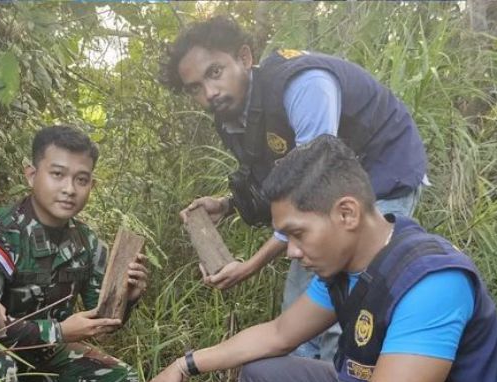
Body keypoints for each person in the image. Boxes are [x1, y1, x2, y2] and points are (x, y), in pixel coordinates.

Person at [138, 135, 497, 382]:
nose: (290, 251)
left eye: (297, 233)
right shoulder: (344, 268)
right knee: (260, 374)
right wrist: (183, 365)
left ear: (346, 213)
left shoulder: (430, 283)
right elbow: (279, 335)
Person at [164, 16, 428, 361]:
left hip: (382, 173)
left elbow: (313, 182)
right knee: (299, 313)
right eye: (195, 88)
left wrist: (253, 263)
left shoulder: (303, 85)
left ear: (244, 57)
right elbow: (279, 181)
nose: (209, 93)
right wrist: (227, 204)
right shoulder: (231, 114)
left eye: (215, 73)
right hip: (324, 192)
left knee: (348, 305)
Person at [0, 125, 148, 382]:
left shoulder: (86, 242)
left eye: (81, 179)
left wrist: (128, 296)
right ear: (32, 174)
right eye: (57, 174)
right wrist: (59, 331)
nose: (70, 189)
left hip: (45, 357)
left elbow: (101, 322)